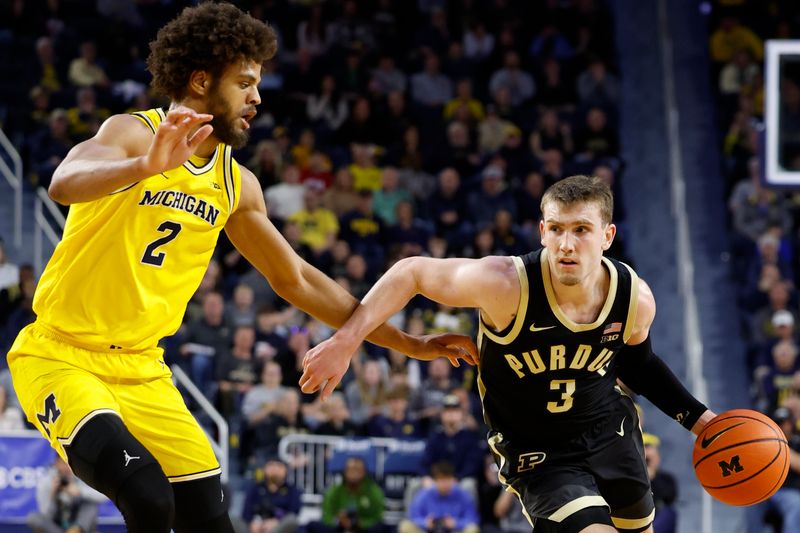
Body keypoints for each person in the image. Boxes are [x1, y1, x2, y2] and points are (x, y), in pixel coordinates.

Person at [6, 4, 475, 533]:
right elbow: (63, 183)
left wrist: (407, 343)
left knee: (208, 514)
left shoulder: (237, 184)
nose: (257, 97)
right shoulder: (134, 133)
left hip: (142, 368)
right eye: (245, 82)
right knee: (146, 495)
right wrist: (144, 167)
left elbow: (295, 279)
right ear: (202, 80)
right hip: (62, 356)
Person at [302, 175, 717, 533]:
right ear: (541, 232)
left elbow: (637, 363)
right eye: (556, 229)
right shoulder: (506, 285)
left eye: (581, 230)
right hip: (538, 450)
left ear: (607, 236)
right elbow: (411, 271)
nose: (566, 244)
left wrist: (703, 423)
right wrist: (346, 341)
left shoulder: (634, 299)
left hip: (610, 433)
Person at [27, 457, 105, 533]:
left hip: (78, 525)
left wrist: (80, 492)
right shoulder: (47, 482)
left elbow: (103, 496)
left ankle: (76, 530)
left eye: (70, 463)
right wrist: (52, 495)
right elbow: (45, 515)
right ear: (57, 463)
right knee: (33, 518)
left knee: (90, 504)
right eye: (64, 463)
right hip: (56, 526)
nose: (67, 467)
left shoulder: (81, 477)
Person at [399, 461, 480, 533]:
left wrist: (455, 523)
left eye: (447, 479)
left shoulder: (462, 495)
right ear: (435, 480)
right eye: (441, 479)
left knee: (472, 529)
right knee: (405, 526)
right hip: (429, 531)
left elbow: (473, 519)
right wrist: (425, 523)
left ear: (453, 479)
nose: (444, 484)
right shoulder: (424, 495)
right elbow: (412, 517)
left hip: (454, 531)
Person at [242, 457, 301, 533]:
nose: (275, 469)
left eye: (279, 466)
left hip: (280, 527)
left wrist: (276, 521)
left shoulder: (292, 490)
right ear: (264, 469)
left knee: (291, 520)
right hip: (256, 527)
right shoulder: (255, 488)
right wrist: (253, 523)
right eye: (271, 465)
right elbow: (246, 513)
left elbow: (293, 513)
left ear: (285, 470)